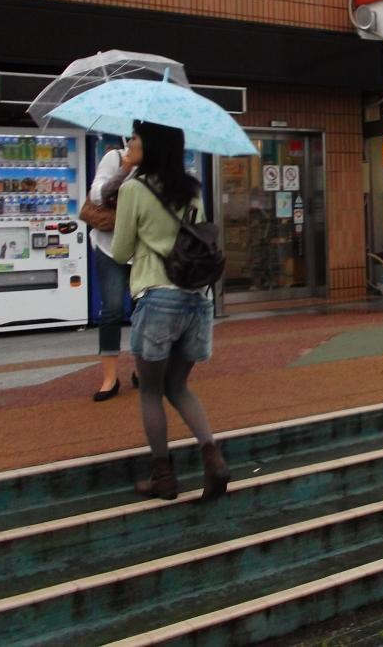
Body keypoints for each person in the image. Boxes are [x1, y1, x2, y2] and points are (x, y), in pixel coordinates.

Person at [110, 121, 228, 502]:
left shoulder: (133, 189)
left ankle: (163, 477)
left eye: (136, 137)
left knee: (150, 390)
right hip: (197, 299)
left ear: (153, 145)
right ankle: (212, 457)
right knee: (178, 386)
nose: (131, 142)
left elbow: (120, 252)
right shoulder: (192, 189)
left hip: (157, 296)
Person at [90, 138, 138, 401]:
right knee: (112, 309)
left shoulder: (157, 166)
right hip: (109, 246)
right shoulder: (115, 158)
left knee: (144, 310)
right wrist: (125, 169)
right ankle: (110, 378)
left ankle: (141, 368)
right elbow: (96, 195)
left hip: (141, 250)